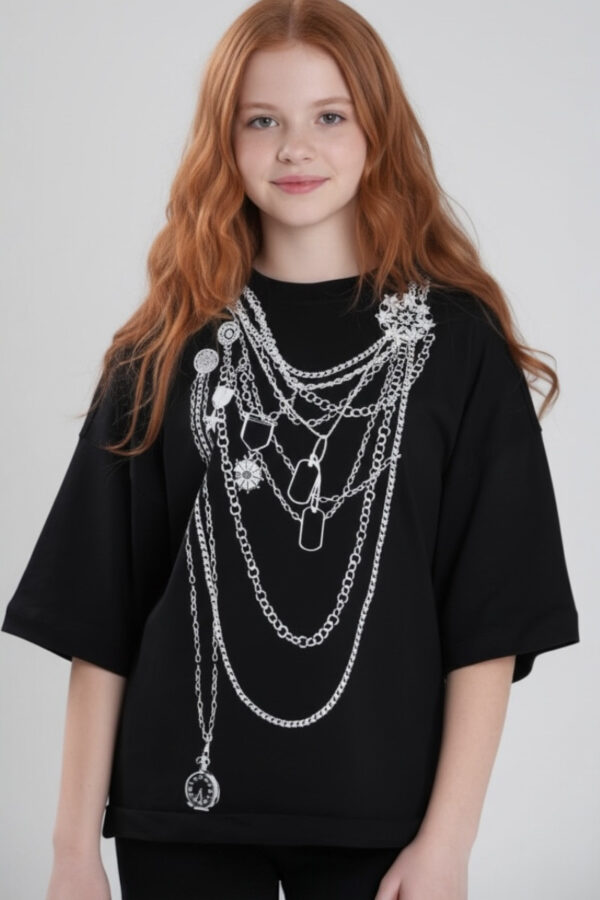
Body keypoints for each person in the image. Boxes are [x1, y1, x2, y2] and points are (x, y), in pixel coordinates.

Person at [2, 1, 580, 898]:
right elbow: (100, 614)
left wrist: (449, 843)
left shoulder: (458, 348)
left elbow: (491, 619)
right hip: (178, 810)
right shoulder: (167, 347)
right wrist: (71, 850)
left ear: (377, 130)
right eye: (262, 121)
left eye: (329, 116)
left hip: (383, 826)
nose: (295, 148)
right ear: (224, 141)